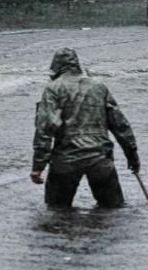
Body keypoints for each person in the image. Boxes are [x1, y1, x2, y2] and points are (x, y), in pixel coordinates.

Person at [30, 47, 140, 208]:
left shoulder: (53, 88)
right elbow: (120, 125)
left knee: (56, 213)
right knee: (112, 211)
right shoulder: (99, 87)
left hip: (65, 160)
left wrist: (38, 166)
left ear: (55, 66)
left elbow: (45, 128)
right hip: (100, 158)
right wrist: (132, 155)